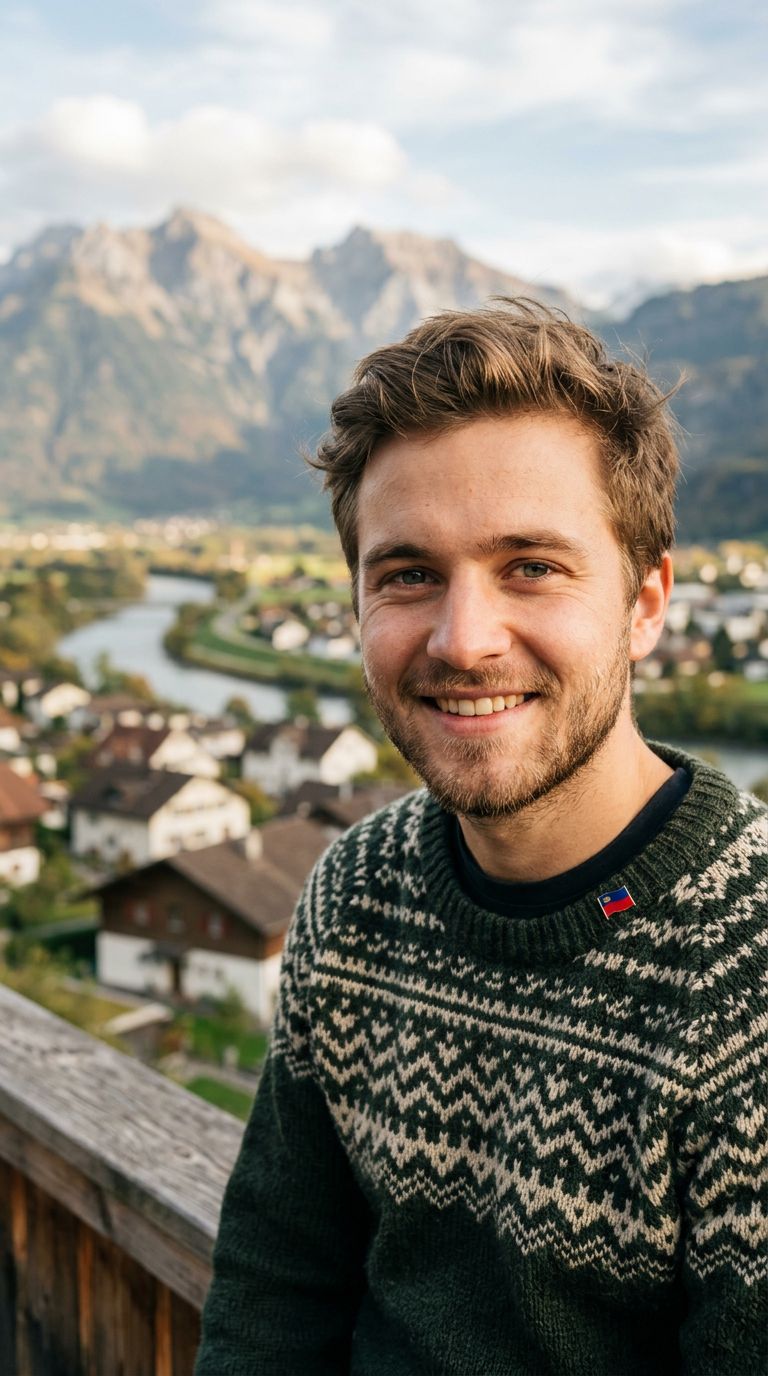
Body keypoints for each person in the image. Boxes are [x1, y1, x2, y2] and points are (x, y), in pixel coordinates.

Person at [195, 300, 767, 1375]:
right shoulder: (358, 890)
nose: (464, 639)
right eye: (407, 572)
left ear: (645, 603)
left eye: (531, 566)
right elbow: (273, 1289)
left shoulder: (750, 981)